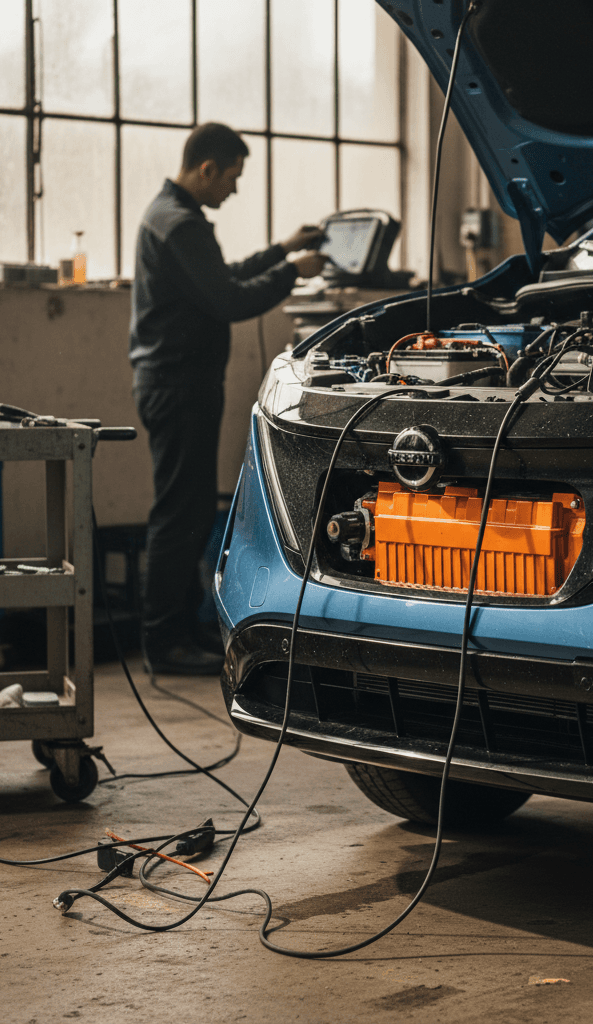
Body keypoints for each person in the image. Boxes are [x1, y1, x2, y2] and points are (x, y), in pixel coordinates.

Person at [130, 122, 326, 675]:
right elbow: (229, 300)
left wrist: (280, 251)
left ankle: (180, 631)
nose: (234, 190)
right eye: (232, 177)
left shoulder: (169, 217)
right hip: (180, 385)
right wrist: (292, 273)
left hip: (171, 383)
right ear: (208, 168)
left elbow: (220, 276)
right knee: (179, 512)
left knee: (186, 507)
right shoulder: (182, 224)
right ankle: (164, 642)